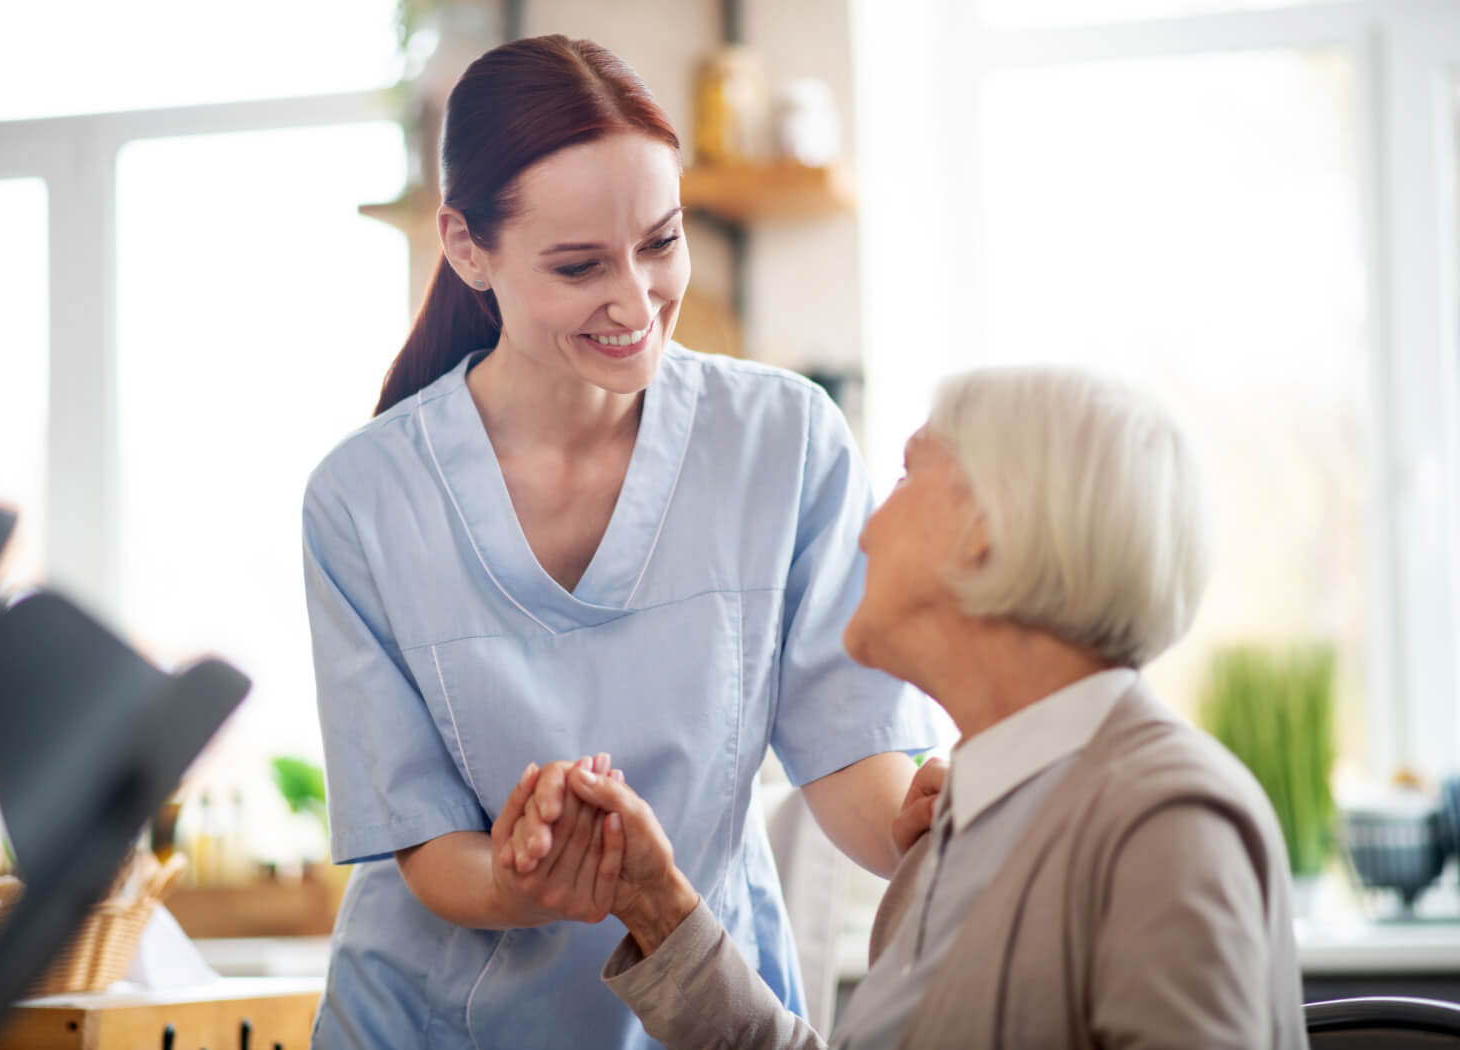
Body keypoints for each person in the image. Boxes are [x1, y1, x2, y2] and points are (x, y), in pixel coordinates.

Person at [300, 35, 934, 1050]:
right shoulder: (363, 499)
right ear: (466, 247)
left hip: (703, 1022)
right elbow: (423, 852)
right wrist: (525, 879)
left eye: (661, 241)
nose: (637, 303)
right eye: (579, 265)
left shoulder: (784, 442)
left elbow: (852, 756)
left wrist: (929, 825)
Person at [539, 366, 1309, 1049]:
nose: (867, 531)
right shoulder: (959, 826)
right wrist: (656, 905)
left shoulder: (1167, 823)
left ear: (986, 526)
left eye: (906, 478)